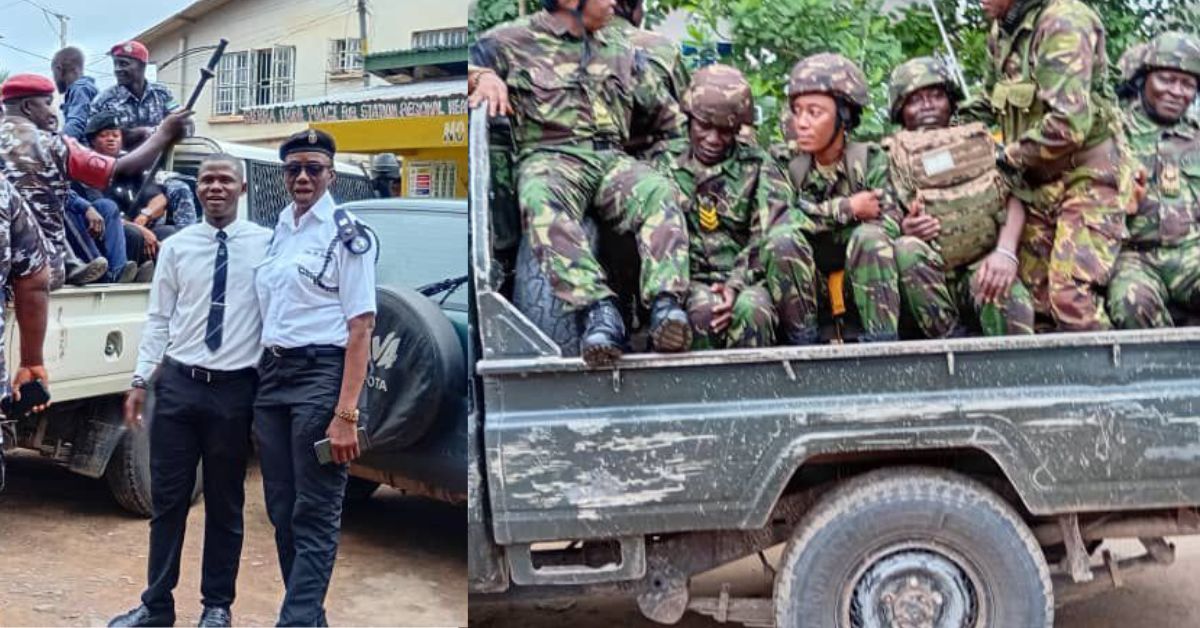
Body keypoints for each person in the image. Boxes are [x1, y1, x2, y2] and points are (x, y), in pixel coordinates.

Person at [469, 0, 691, 365]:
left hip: (611, 159)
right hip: (550, 158)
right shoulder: (509, 40)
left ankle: (666, 308)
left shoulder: (623, 47)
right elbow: (459, 72)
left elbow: (667, 118)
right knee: (540, 198)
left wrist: (667, 163)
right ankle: (598, 311)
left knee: (657, 190)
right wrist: (481, 76)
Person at [108, 154, 271, 628]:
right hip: (179, 385)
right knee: (169, 502)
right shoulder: (179, 248)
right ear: (196, 190)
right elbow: (159, 318)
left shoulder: (267, 246)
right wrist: (140, 379)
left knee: (225, 503)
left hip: (235, 391)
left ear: (241, 190)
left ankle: (217, 607)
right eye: (206, 180)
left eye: (225, 180)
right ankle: (156, 605)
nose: (215, 187)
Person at [254, 129, 376, 626]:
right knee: (281, 509)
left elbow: (362, 327)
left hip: (320, 376)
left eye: (313, 168)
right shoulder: (280, 227)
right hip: (273, 375)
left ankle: (296, 620)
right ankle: (308, 618)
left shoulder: (348, 232)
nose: (302, 177)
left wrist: (345, 414)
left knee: (315, 511)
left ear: (331, 173)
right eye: (293, 169)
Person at [962, 0, 1132, 331]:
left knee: (1070, 296)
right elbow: (988, 102)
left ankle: (1114, 378)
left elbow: (1069, 125)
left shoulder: (1063, 21)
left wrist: (1005, 158)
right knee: (1029, 303)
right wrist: (944, 139)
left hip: (1087, 177)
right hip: (1036, 183)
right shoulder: (1003, 32)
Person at [654, 64, 819, 348]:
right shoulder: (661, 164)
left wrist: (735, 284)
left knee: (753, 311)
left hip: (746, 279)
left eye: (726, 130)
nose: (714, 140)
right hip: (686, 282)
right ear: (688, 119)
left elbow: (769, 231)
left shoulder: (758, 166)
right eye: (704, 126)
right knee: (703, 312)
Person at [884, 56, 1035, 337]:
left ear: (951, 102)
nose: (927, 105)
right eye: (915, 99)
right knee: (906, 249)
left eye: (936, 96)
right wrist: (907, 227)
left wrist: (1005, 252)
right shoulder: (890, 158)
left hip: (982, 265)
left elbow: (1015, 195)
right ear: (900, 110)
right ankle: (953, 346)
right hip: (926, 281)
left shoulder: (979, 143)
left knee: (1011, 302)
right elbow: (881, 225)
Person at [0, 75, 190, 289]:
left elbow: (153, 194)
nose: (53, 111)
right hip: (34, 260)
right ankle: (89, 269)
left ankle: (122, 272)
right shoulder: (57, 146)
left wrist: (143, 217)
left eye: (115, 135)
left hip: (24, 258)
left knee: (158, 232)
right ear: (27, 107)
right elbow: (116, 171)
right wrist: (164, 134)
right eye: (47, 103)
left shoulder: (54, 146)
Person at [781, 53, 907, 342]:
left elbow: (890, 223)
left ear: (844, 116)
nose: (801, 123)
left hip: (862, 285)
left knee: (870, 238)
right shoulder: (783, 164)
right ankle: (802, 347)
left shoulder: (870, 160)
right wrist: (848, 208)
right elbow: (779, 221)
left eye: (814, 112)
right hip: (805, 290)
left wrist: (814, 217)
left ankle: (882, 343)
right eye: (797, 111)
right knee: (782, 242)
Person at [1107, 32, 1200, 328]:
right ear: (1144, 80)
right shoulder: (1113, 133)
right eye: (1166, 79)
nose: (1176, 91)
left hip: (1191, 252)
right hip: (1135, 255)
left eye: (1187, 83)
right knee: (1131, 301)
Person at [610, 0, 690, 158]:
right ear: (634, 8)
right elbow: (686, 110)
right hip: (651, 159)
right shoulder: (661, 47)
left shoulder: (567, 44)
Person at [90, 41, 183, 149]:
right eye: (115, 64)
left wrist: (184, 123)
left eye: (123, 64)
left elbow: (178, 115)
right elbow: (92, 138)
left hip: (159, 161)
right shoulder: (104, 101)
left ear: (142, 66)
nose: (117, 69)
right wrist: (136, 134)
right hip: (119, 163)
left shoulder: (161, 93)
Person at [52, 46, 98, 142]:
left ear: (59, 69)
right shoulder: (83, 88)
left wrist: (56, 145)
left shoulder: (80, 88)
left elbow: (76, 124)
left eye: (54, 73)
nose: (54, 78)